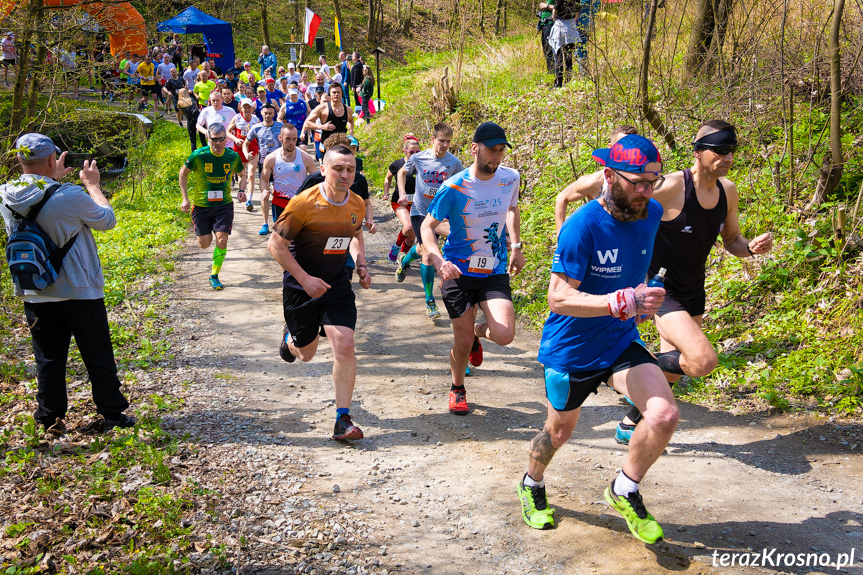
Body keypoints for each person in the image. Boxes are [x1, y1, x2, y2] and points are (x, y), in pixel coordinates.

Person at [515, 134, 673, 544]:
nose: (644, 191)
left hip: (619, 340)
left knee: (663, 414)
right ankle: (532, 483)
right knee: (559, 432)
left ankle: (625, 488)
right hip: (572, 349)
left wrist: (646, 295)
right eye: (636, 181)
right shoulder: (581, 226)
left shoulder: (652, 213)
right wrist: (620, 300)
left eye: (651, 182)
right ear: (608, 176)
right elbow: (558, 297)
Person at [612, 121, 774, 444]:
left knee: (675, 367)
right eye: (719, 150)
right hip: (661, 291)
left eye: (731, 151)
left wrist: (750, 247)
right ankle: (621, 370)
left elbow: (732, 240)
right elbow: (626, 209)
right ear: (698, 153)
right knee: (702, 359)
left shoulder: (728, 191)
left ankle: (631, 422)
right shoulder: (672, 186)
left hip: (693, 291)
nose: (727, 157)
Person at [0, 133, 136, 434]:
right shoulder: (71, 195)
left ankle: (49, 418)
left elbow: (38, 196)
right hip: (79, 289)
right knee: (97, 354)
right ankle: (113, 414)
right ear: (52, 159)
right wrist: (93, 185)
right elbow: (107, 219)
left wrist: (50, 178)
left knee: (48, 358)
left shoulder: (5, 196)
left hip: (35, 290)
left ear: (19, 159)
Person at [268, 144, 371, 441]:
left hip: (337, 283)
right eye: (338, 168)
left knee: (345, 342)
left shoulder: (356, 204)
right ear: (323, 169)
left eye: (350, 169)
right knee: (306, 354)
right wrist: (304, 278)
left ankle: (343, 419)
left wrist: (362, 265)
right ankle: (290, 341)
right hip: (301, 286)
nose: (345, 174)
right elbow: (275, 246)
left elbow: (355, 235)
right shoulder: (303, 203)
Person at [420, 122, 524, 415]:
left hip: (494, 270)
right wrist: (439, 260)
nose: (497, 156)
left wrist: (515, 246)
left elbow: (512, 210)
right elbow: (427, 227)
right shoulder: (453, 187)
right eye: (492, 150)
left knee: (504, 335)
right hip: (458, 272)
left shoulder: (511, 178)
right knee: (462, 342)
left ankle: (478, 331)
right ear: (475, 148)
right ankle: (457, 387)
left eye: (502, 150)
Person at [396, 123, 463, 319]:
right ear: (432, 140)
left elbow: (460, 186)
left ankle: (405, 260)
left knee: (423, 248)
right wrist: (402, 192)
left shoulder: (455, 163)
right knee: (427, 253)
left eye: (449, 142)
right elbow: (401, 172)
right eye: (441, 141)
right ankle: (430, 302)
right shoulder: (418, 157)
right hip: (419, 211)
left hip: (440, 215)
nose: (445, 145)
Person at [178, 123, 245, 290]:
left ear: (225, 139)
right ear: (208, 138)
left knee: (222, 239)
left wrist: (242, 190)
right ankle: (203, 233)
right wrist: (184, 199)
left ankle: (214, 274)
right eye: (214, 140)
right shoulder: (199, 155)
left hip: (224, 205)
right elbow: (183, 173)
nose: (218, 143)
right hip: (202, 205)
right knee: (205, 244)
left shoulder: (232, 156)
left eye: (222, 139)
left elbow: (242, 175)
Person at [554, 125, 639, 232]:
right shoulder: (596, 182)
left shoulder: (647, 180)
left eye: (632, 146)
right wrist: (560, 236)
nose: (627, 151)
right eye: (622, 146)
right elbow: (562, 197)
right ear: (610, 148)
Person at [259, 124, 317, 227]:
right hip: (280, 202)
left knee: (298, 237)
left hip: (300, 203)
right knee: (282, 237)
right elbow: (264, 179)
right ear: (280, 138)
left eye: (294, 139)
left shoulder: (305, 158)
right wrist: (264, 190)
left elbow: (317, 180)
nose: (291, 143)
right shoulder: (271, 158)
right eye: (288, 139)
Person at [243, 104, 284, 227]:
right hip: (264, 165)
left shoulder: (281, 127)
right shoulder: (256, 128)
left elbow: (290, 142)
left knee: (279, 195)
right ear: (261, 113)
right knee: (265, 194)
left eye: (270, 113)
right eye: (265, 113)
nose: (268, 115)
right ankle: (265, 223)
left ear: (274, 114)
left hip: (280, 166)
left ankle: (279, 222)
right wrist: (246, 154)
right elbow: (246, 143)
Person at [385, 135, 421, 262]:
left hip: (417, 204)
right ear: (405, 151)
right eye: (412, 152)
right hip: (399, 202)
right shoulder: (397, 164)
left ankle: (402, 258)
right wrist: (386, 192)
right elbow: (388, 178)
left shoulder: (423, 165)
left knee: (411, 237)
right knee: (409, 226)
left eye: (418, 152)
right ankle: (396, 246)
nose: (415, 154)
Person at [226, 98, 261, 206]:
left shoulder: (255, 119)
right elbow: (227, 132)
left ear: (252, 108)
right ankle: (241, 192)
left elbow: (261, 133)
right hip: (239, 148)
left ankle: (249, 199)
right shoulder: (237, 118)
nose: (246, 109)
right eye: (244, 107)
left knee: (251, 174)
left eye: (248, 107)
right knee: (242, 174)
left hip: (252, 148)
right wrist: (236, 139)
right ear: (241, 108)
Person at [303, 83, 353, 151]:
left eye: (338, 92)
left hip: (341, 145)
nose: (336, 94)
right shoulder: (322, 108)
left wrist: (351, 133)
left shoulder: (348, 109)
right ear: (330, 94)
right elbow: (307, 122)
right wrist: (322, 127)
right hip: (326, 146)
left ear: (342, 94)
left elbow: (350, 120)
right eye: (334, 92)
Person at [537, 3, 555, 74]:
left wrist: (546, 6)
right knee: (546, 49)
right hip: (544, 25)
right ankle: (550, 71)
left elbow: (559, 7)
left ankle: (553, 71)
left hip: (550, 24)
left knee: (550, 49)